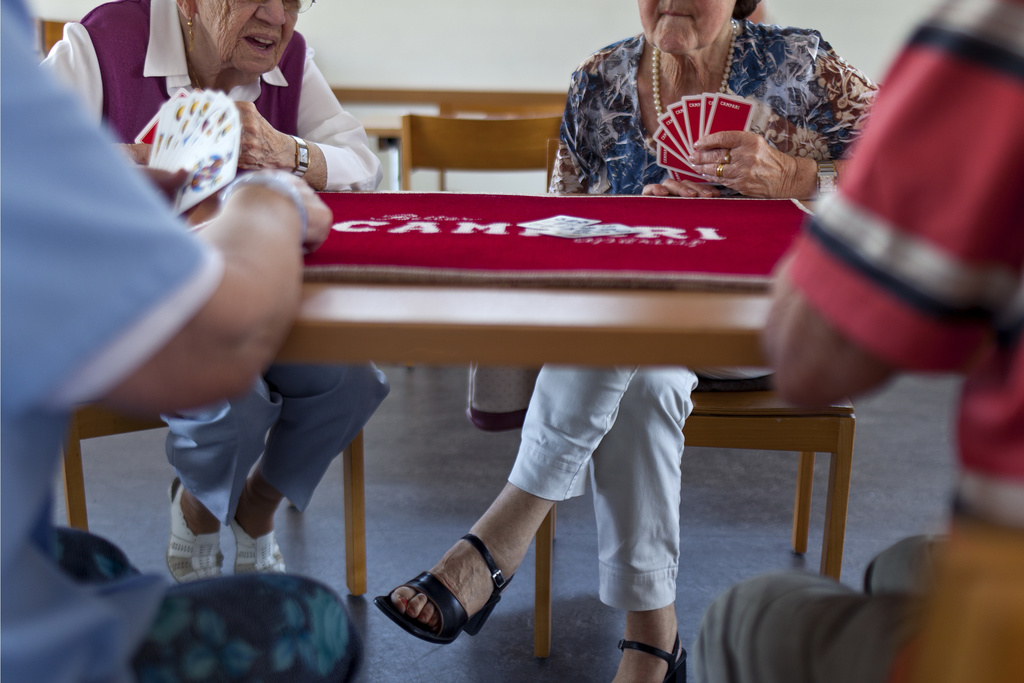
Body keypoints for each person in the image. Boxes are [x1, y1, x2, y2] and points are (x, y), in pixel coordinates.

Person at [375, 1, 876, 681]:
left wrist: (797, 178)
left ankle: (499, 536)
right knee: (646, 372)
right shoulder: (599, 79)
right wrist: (638, 226)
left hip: (761, 322)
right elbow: (560, 224)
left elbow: (913, 172)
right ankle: (652, 645)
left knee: (626, 328)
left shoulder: (799, 63)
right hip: (639, 337)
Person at [1, 0, 363, 677]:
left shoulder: (292, 59)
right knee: (318, 618)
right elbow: (210, 341)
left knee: (349, 374)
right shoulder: (96, 42)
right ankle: (198, 511)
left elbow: (358, 159)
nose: (277, 14)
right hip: (157, 322)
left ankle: (252, 508)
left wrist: (288, 155)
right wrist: (268, 200)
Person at [692, 0, 1024, 681]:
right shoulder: (601, 75)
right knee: (901, 563)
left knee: (746, 611)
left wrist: (796, 177)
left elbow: (809, 358)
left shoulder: (994, 37)